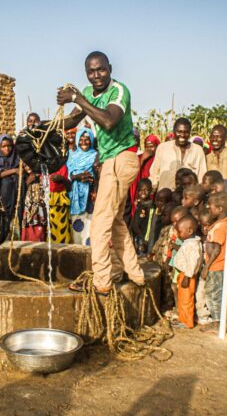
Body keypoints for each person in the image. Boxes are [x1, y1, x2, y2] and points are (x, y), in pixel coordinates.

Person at [57, 51, 145, 294]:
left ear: (110, 68)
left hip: (121, 158)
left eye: (101, 70)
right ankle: (136, 274)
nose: (96, 76)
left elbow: (108, 121)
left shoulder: (119, 90)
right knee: (115, 221)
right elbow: (73, 120)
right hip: (109, 161)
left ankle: (102, 283)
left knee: (100, 223)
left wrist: (77, 97)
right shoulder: (86, 94)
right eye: (91, 71)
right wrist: (43, 127)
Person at [149, 118, 207, 191]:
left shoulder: (198, 150)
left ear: (190, 133)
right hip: (165, 197)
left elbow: (201, 176)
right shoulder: (163, 148)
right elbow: (154, 174)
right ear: (173, 131)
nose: (182, 135)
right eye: (179, 132)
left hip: (189, 197)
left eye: (186, 132)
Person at [201, 192, 227, 333]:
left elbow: (216, 249)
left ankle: (218, 322)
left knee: (213, 294)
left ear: (220, 209)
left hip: (216, 266)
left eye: (211, 207)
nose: (209, 209)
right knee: (213, 293)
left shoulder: (221, 227)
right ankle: (218, 320)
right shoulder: (219, 224)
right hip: (216, 266)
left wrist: (207, 267)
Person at [66, 128, 98, 246]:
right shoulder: (72, 155)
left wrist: (92, 180)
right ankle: (77, 252)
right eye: (81, 139)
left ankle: (89, 253)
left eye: (87, 139)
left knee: (89, 227)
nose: (84, 142)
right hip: (75, 195)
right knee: (76, 226)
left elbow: (98, 174)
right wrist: (77, 176)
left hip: (90, 195)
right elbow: (68, 174)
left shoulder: (95, 155)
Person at [172, 214, 203, 329]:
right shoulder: (189, 242)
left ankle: (187, 322)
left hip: (187, 276)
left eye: (179, 232)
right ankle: (182, 318)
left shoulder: (192, 245)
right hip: (184, 274)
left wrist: (187, 277)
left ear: (189, 231)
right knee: (182, 298)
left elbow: (192, 262)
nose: (178, 234)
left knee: (186, 300)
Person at [0, 134, 23, 223]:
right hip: (2, 196)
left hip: (17, 197)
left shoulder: (16, 158)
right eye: (3, 146)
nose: (7, 149)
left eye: (9, 146)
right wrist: (14, 171)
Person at [129, 134, 161, 217]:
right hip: (140, 194)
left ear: (157, 146)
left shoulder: (160, 159)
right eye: (147, 146)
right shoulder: (139, 158)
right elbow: (133, 175)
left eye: (152, 146)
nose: (149, 149)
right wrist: (142, 160)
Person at [49, 163, 72, 243]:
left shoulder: (64, 166)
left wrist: (62, 179)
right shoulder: (48, 166)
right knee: (51, 227)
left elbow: (69, 186)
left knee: (63, 225)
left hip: (62, 198)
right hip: (51, 198)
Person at [131, 178, 154, 255]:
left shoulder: (150, 206)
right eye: (141, 190)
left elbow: (150, 223)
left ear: (151, 190)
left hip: (143, 237)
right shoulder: (140, 203)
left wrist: (145, 240)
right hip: (136, 235)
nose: (143, 192)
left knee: (142, 256)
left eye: (146, 190)